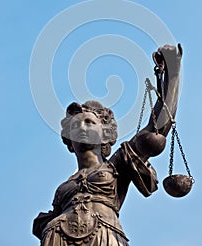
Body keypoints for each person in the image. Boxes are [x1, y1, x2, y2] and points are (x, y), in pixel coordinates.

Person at [33, 44, 182, 245]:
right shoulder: (63, 187)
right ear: (69, 139)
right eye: (76, 125)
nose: (82, 128)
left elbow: (158, 127)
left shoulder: (117, 165)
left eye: (89, 123)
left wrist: (172, 74)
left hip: (103, 236)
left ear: (105, 134)